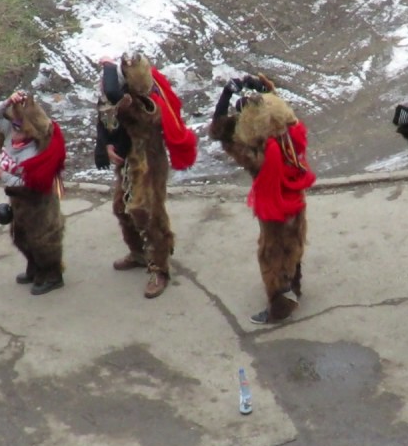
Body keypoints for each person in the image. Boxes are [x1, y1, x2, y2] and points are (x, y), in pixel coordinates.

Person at [208, 74, 315, 324]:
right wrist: (267, 92)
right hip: (295, 202)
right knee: (292, 247)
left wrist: (227, 94)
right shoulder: (291, 132)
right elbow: (277, 110)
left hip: (273, 209)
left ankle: (280, 307)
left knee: (272, 255)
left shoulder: (257, 154)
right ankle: (294, 287)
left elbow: (219, 130)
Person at [95, 53, 198, 298]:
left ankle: (160, 268)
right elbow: (105, 118)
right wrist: (106, 145)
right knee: (121, 208)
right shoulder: (118, 95)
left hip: (149, 163)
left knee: (148, 213)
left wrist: (109, 67)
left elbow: (117, 98)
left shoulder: (146, 103)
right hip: (128, 162)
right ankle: (139, 254)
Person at [0, 90, 67, 295]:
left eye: (19, 126)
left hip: (38, 204)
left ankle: (53, 275)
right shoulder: (11, 133)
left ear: (30, 131)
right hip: (19, 202)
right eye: (14, 123)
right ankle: (34, 268)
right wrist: (8, 101)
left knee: (43, 240)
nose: (14, 129)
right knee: (21, 237)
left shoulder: (33, 153)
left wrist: (4, 176)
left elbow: (30, 183)